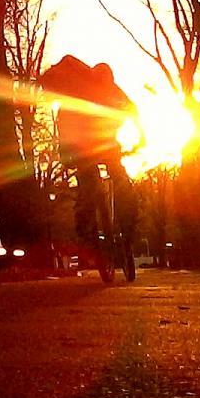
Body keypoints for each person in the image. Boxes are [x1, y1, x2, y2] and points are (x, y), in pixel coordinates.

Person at [39, 55, 140, 254]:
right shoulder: (101, 87)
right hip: (87, 144)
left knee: (94, 185)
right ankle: (118, 228)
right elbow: (133, 112)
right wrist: (140, 140)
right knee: (113, 182)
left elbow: (133, 112)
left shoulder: (107, 88)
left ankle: (95, 232)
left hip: (91, 144)